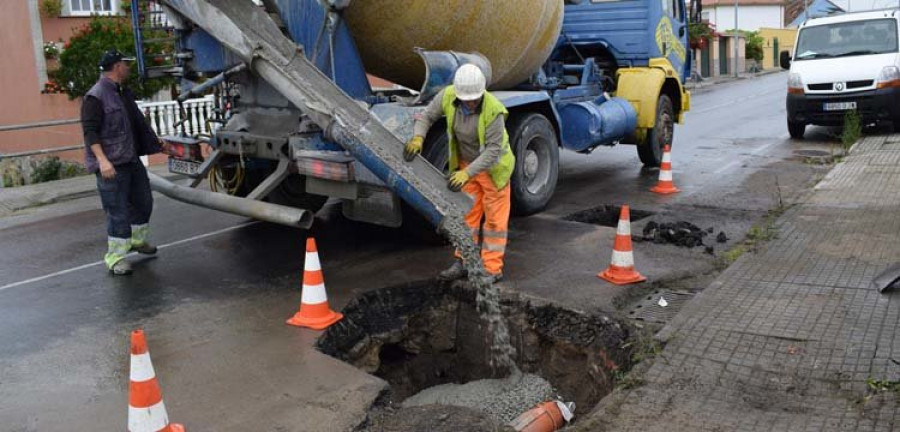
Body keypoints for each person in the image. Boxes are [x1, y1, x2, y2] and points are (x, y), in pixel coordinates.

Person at [404, 64, 515, 283]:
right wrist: (418, 137)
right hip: (466, 165)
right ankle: (464, 260)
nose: (470, 103)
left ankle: (492, 269)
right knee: (467, 217)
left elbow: (493, 151)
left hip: (494, 170)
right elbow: (426, 116)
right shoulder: (447, 96)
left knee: (494, 222)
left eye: (474, 99)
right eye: (466, 99)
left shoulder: (494, 110)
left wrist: (467, 173)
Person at [81, 49, 170, 276]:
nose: (129, 67)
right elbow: (90, 132)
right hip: (111, 164)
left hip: (130, 158)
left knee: (143, 202)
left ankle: (137, 241)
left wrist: (156, 142)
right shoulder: (96, 96)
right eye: (126, 64)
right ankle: (116, 258)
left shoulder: (122, 92)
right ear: (117, 66)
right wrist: (103, 161)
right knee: (117, 210)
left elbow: (137, 122)